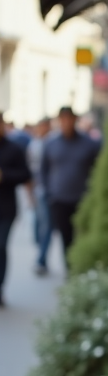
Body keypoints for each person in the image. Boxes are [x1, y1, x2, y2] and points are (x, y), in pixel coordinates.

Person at [41, 106, 101, 271]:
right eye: (63, 119)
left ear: (75, 119)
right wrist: (49, 192)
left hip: (83, 199)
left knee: (82, 235)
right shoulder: (51, 143)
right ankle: (70, 269)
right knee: (65, 237)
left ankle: (81, 268)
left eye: (70, 118)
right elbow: (44, 170)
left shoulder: (89, 144)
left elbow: (98, 169)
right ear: (59, 121)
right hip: (59, 199)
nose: (66, 122)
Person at [0, 118, 33, 306]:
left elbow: (26, 175)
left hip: (6, 208)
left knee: (1, 246)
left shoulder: (14, 149)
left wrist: (5, 176)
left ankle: (0, 287)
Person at [24, 118, 53, 274]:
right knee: (38, 224)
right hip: (37, 188)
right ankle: (40, 250)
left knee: (46, 225)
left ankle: (41, 258)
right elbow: (28, 170)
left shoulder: (53, 142)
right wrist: (29, 192)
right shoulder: (34, 145)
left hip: (47, 190)